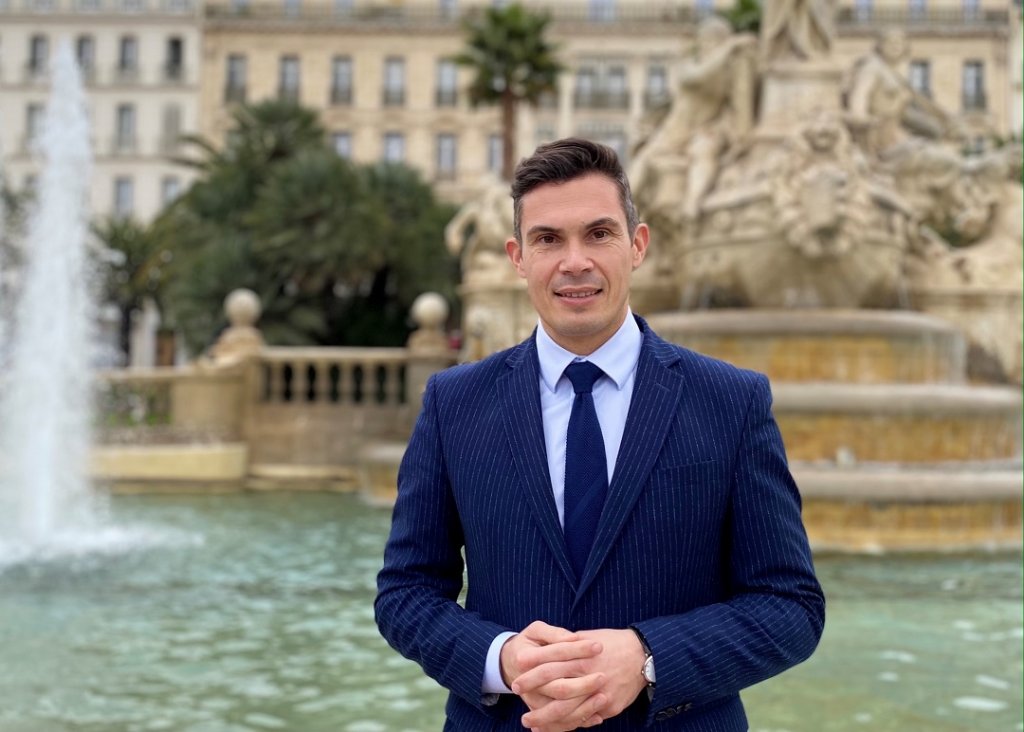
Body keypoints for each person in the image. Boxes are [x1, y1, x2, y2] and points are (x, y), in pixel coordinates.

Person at [376, 138, 825, 732]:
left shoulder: (731, 401)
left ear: (637, 245)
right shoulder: (453, 403)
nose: (574, 261)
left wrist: (648, 658)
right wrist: (501, 659)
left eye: (599, 234)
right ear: (517, 258)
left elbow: (789, 606)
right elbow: (405, 593)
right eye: (548, 239)